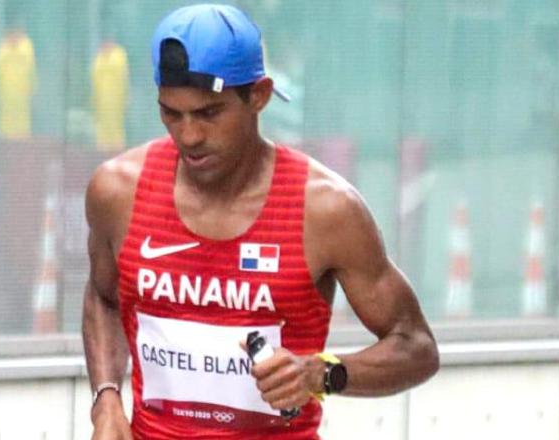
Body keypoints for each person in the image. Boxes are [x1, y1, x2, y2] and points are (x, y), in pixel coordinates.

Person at [82, 4, 439, 439]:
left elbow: (415, 347)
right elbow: (103, 298)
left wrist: (321, 373)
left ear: (259, 95)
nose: (189, 136)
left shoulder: (326, 210)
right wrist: (106, 399)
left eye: (209, 113)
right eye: (172, 113)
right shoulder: (117, 191)